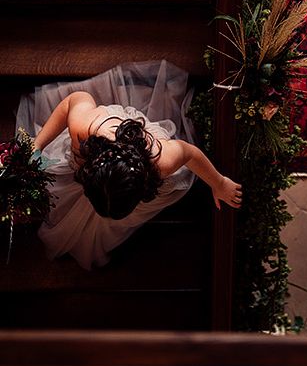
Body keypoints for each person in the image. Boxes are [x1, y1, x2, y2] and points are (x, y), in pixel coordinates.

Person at [16, 60, 241, 270]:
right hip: (99, 148)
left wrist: (219, 183)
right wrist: (37, 145)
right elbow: (73, 101)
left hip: (133, 158)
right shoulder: (83, 130)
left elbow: (191, 154)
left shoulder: (161, 160)